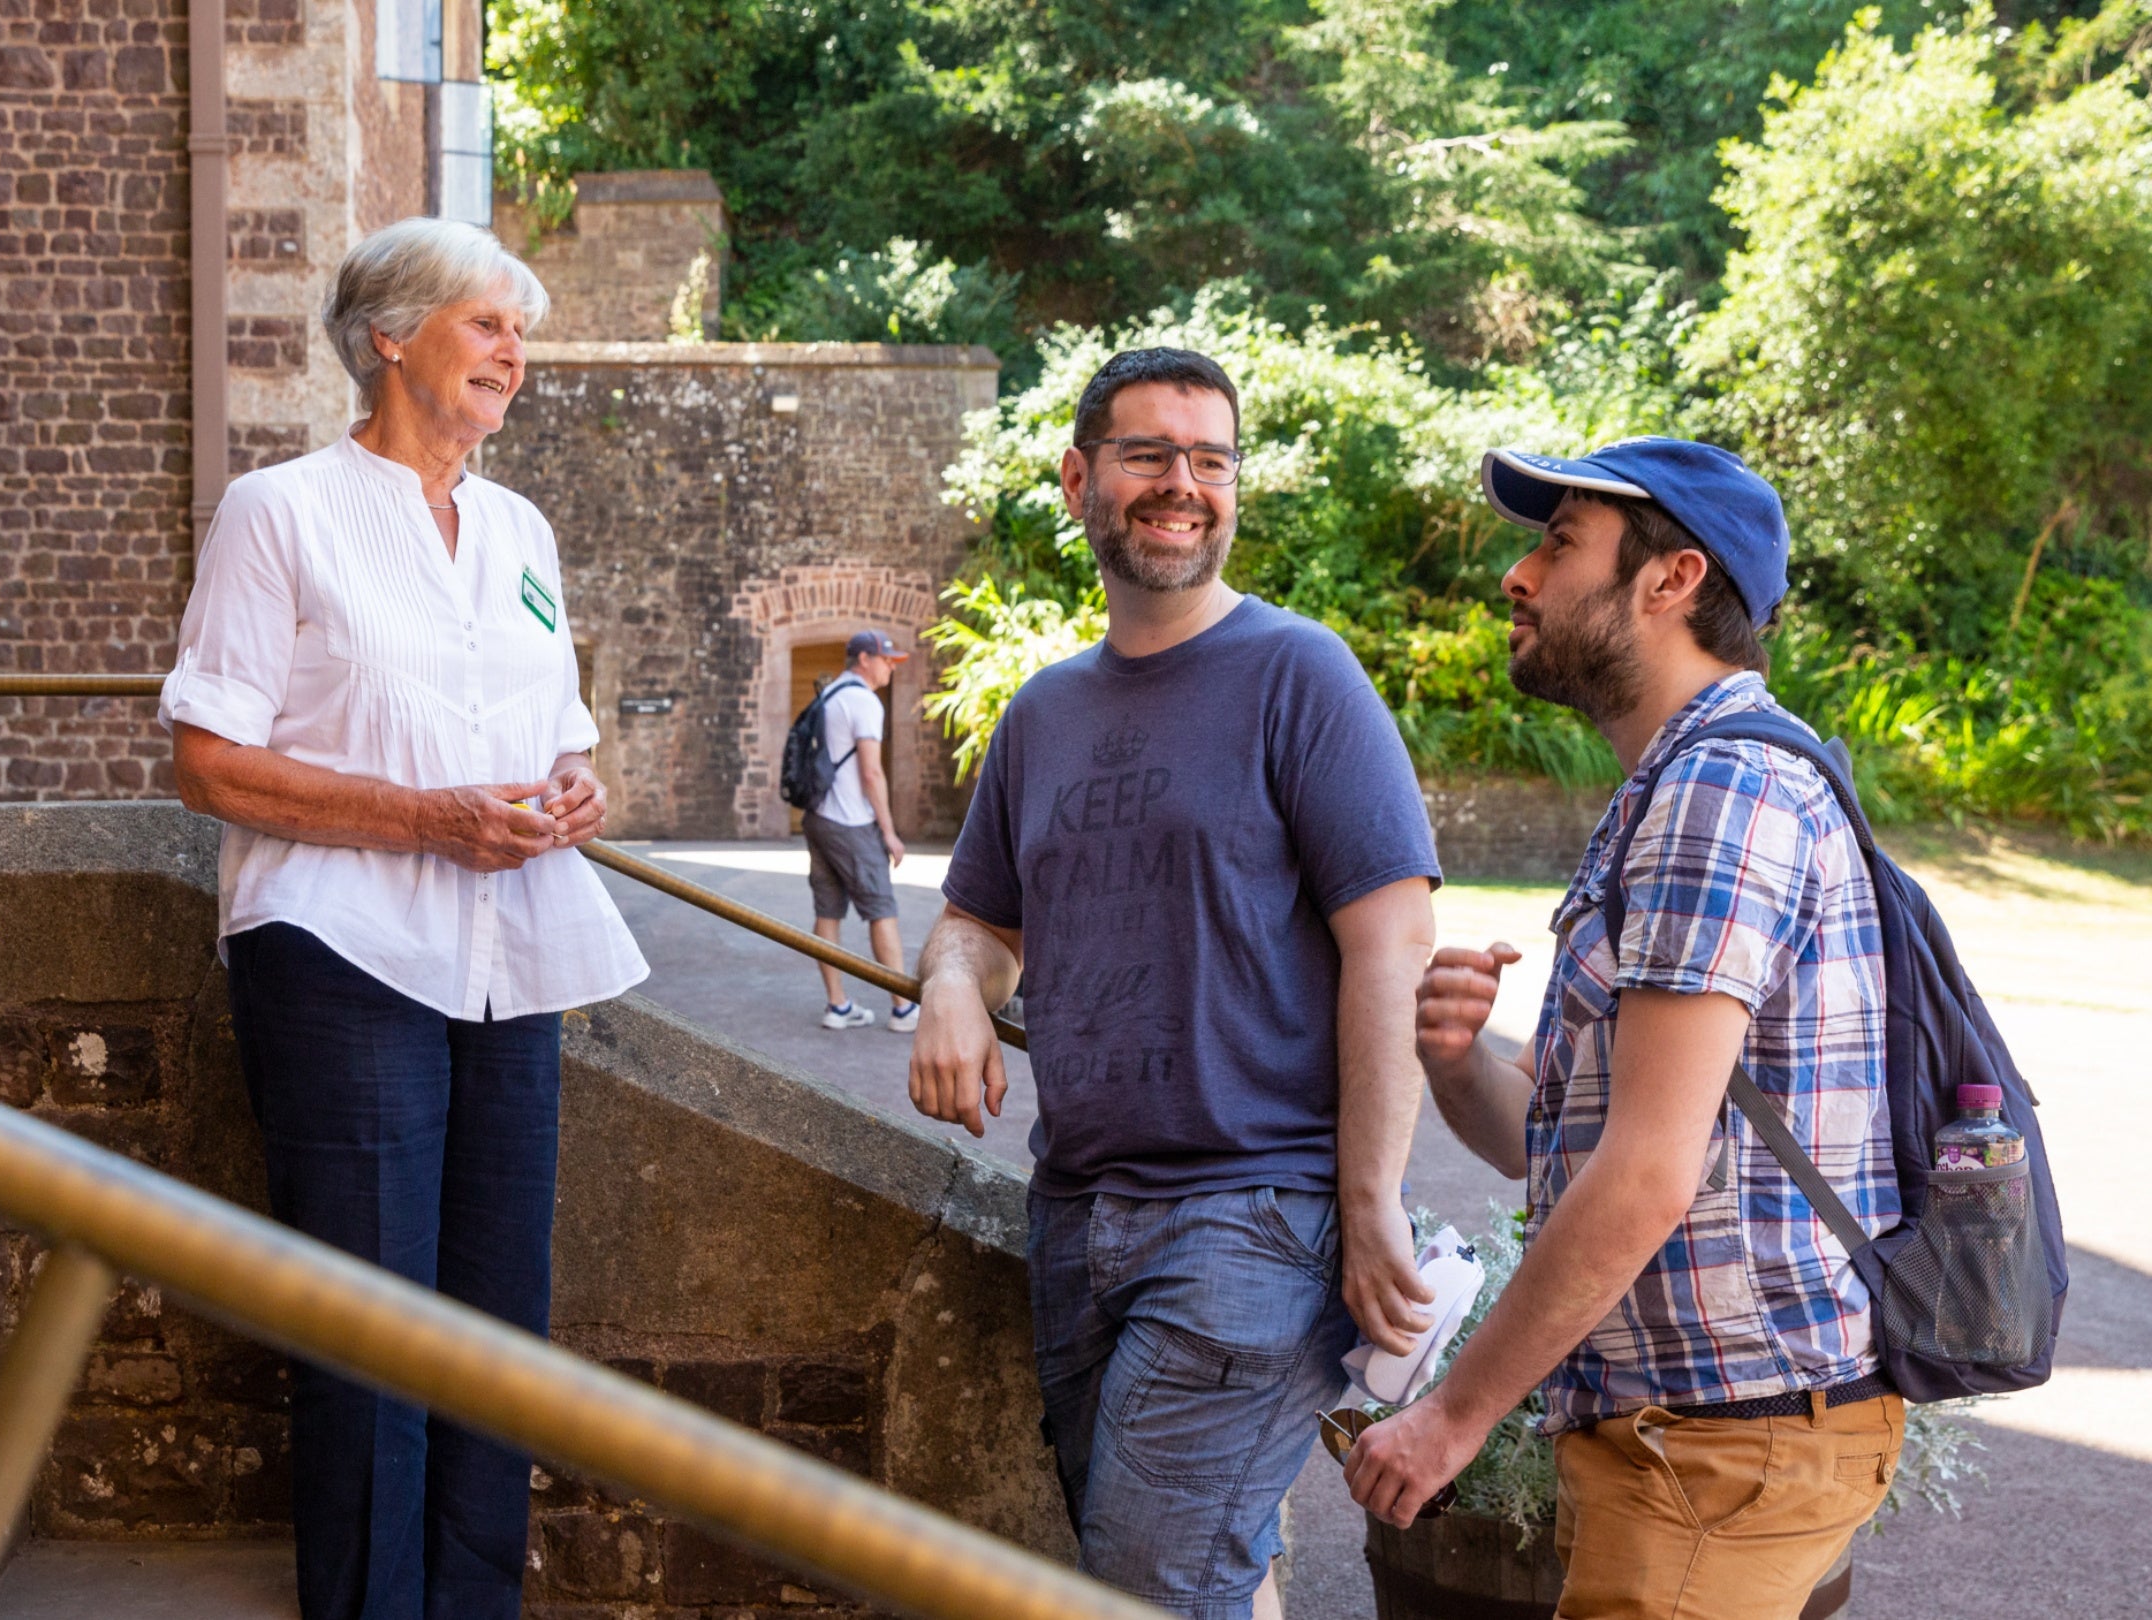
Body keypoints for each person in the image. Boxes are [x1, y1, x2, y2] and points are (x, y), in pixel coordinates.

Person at [159, 217, 645, 1620]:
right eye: (488, 323)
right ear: (389, 336)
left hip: (512, 951)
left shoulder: (518, 528)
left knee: (499, 1327)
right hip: (341, 952)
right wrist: (431, 818)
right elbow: (207, 761)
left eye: (519, 332)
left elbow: (556, 727)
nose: (514, 352)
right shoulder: (282, 511)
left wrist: (573, 790)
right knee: (373, 1329)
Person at [907, 347, 1443, 1618]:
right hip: (1078, 1214)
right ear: (1080, 477)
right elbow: (976, 925)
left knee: (1153, 1590)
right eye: (1149, 454)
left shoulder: (1299, 675)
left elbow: (1393, 944)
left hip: (1252, 1216)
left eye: (1211, 459)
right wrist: (948, 989)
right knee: (1190, 1576)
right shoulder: (1044, 714)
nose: (1182, 485)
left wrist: (1369, 1205)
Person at [1345, 439, 1904, 1619]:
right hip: (1698, 1442)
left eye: (1559, 545)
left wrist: (1452, 1420)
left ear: (1671, 581)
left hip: (1719, 1446)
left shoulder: (1719, 792)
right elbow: (1552, 1151)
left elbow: (1650, 1175)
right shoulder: (1668, 791)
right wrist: (1457, 1064)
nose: (1518, 575)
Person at [805, 628, 918, 1031]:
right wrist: (888, 831)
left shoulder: (831, 693)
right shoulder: (864, 701)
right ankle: (903, 1008)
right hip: (852, 822)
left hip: (819, 818)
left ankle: (837, 1005)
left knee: (828, 911)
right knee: (881, 909)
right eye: (886, 658)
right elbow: (871, 771)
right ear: (865, 659)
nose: (891, 665)